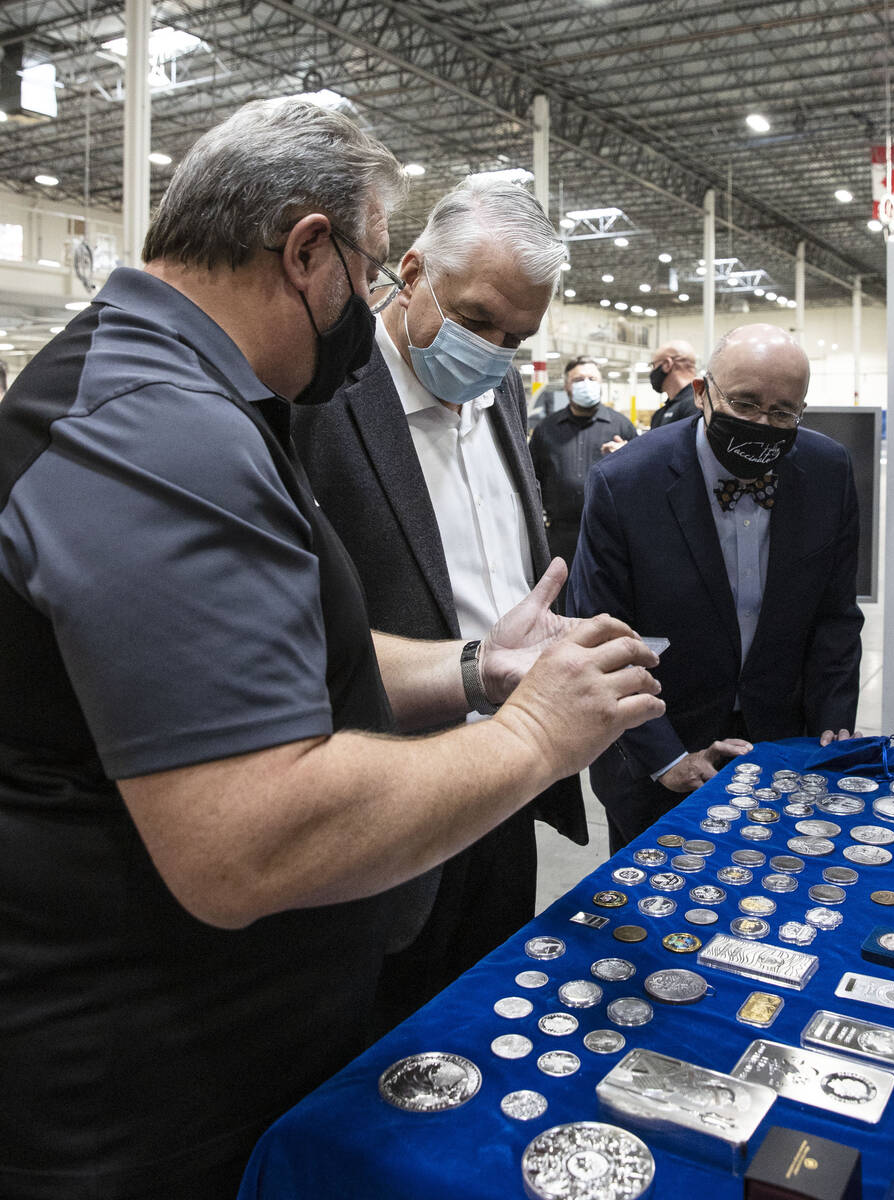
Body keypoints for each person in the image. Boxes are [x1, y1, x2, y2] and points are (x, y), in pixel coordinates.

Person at [0, 98, 663, 1198]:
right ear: (308, 251)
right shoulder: (159, 424)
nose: (366, 304)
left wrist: (474, 671)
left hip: (203, 1049)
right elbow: (248, 837)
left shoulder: (186, 395)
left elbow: (274, 647)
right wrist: (540, 733)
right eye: (363, 271)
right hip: (144, 1092)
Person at [291, 178, 587, 1035]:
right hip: (384, 798)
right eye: (479, 319)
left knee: (490, 1025)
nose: (495, 351)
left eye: (519, 338)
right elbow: (304, 625)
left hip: (501, 781)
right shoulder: (320, 403)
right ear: (410, 271)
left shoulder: (501, 393)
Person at [568, 324, 862, 852]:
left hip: (787, 752)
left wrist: (830, 734)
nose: (762, 424)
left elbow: (835, 617)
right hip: (663, 749)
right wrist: (666, 758)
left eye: (782, 413)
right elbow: (602, 636)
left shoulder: (827, 472)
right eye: (745, 404)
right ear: (702, 392)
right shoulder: (625, 482)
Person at [528, 355, 637, 569]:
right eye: (578, 380)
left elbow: (643, 479)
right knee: (561, 594)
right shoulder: (546, 429)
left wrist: (628, 456)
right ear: (567, 387)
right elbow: (531, 478)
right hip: (560, 535)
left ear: (601, 385)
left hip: (609, 534)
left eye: (592, 378)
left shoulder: (621, 427)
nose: (586, 384)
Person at [647, 339, 698, 428]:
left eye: (653, 365)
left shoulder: (697, 405)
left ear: (667, 364)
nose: (652, 371)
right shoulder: (662, 413)